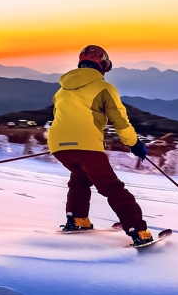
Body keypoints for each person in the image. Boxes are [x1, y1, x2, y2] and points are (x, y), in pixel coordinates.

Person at [48, 45, 156, 247]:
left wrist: (64, 144)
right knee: (112, 187)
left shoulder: (61, 90)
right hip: (87, 147)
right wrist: (134, 144)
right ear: (102, 64)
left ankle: (78, 220)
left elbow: (61, 119)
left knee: (80, 179)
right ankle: (138, 231)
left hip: (59, 146)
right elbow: (120, 121)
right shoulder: (104, 88)